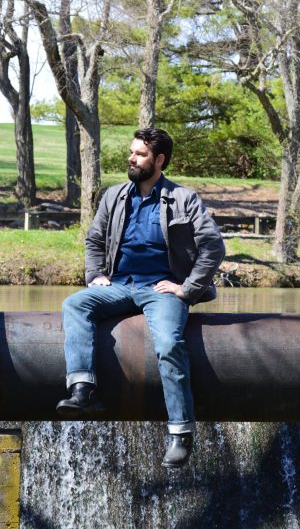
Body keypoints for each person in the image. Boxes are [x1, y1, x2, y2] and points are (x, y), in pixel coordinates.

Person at [55, 128, 225, 468]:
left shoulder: (184, 199)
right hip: (119, 285)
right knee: (75, 303)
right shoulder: (115, 196)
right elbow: (94, 241)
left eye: (140, 155)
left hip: (162, 289)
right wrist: (95, 276)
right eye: (132, 153)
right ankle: (83, 390)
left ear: (159, 160)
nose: (132, 159)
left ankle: (180, 432)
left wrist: (187, 288)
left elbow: (213, 247)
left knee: (168, 344)